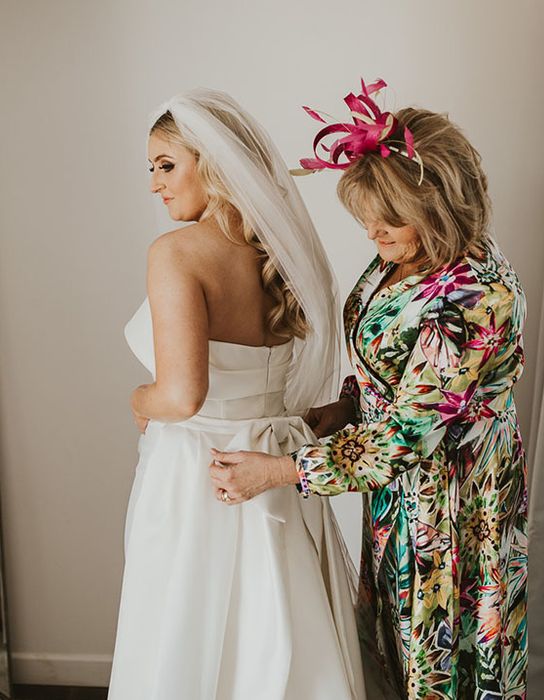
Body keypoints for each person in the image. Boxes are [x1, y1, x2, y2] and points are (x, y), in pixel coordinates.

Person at [210, 81, 528, 699]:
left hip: (451, 500)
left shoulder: (472, 296)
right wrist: (347, 405)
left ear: (443, 205)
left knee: (437, 660)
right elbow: (391, 364)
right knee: (390, 649)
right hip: (401, 495)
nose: (371, 232)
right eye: (366, 216)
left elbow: (406, 436)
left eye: (390, 218)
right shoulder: (408, 255)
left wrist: (276, 471)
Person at [109, 88, 365, 700]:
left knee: (184, 630)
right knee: (277, 624)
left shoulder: (176, 254)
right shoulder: (281, 254)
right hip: (274, 465)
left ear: (215, 163)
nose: (154, 184)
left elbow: (181, 396)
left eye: (166, 164)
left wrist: (137, 401)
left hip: (199, 474)